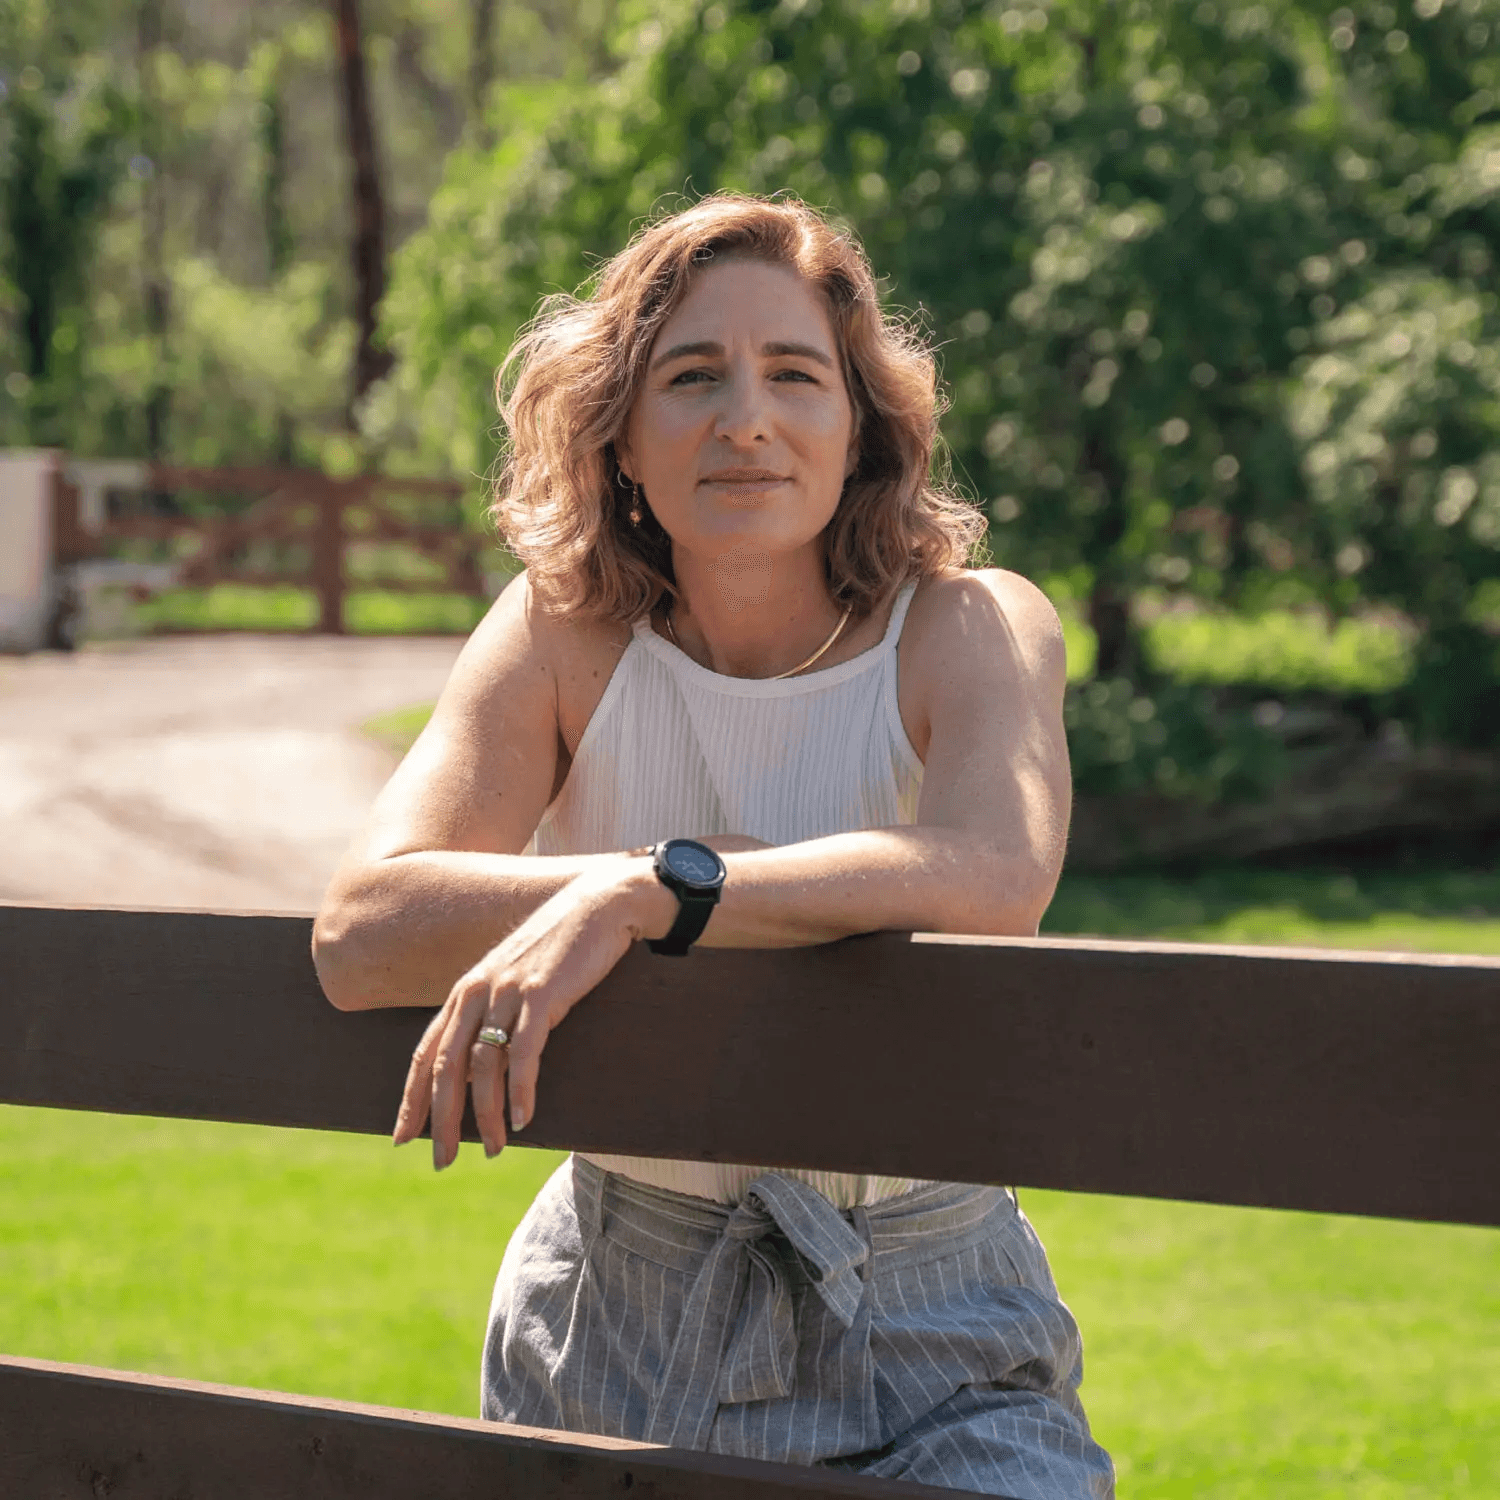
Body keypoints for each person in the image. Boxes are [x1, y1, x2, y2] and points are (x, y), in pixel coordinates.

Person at [313, 193, 1114, 1499]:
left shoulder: (969, 625)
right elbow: (363, 930)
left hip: (933, 1322)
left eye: (795, 374)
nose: (745, 417)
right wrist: (636, 884)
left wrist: (659, 888)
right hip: (612, 1317)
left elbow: (996, 872)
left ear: (859, 430)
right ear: (622, 438)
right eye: (692, 377)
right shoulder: (562, 639)